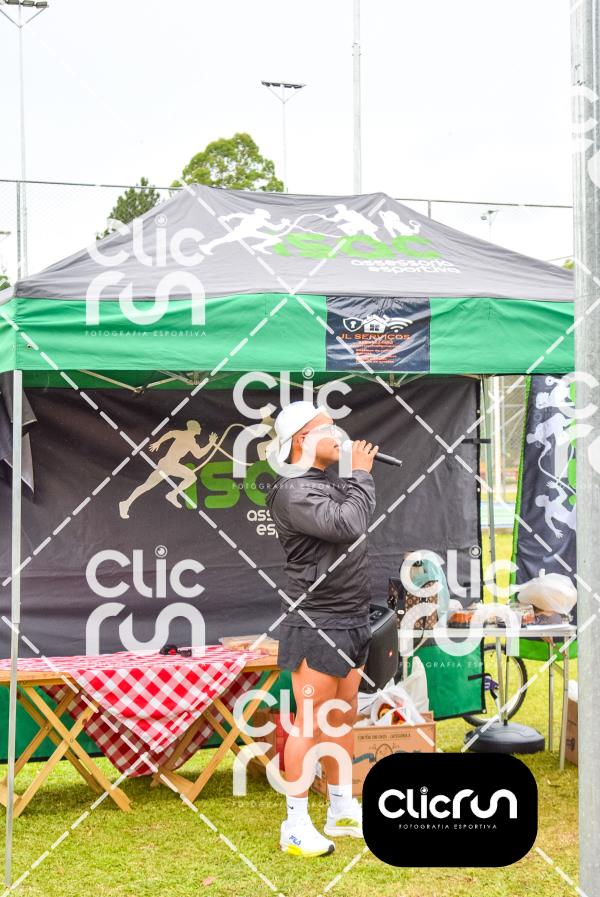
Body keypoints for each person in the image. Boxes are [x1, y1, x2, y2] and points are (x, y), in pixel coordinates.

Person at [266, 401, 378, 858]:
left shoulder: (329, 483)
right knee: (309, 722)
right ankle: (294, 826)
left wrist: (354, 477)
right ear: (301, 440)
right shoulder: (292, 490)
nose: (339, 434)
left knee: (342, 715)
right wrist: (361, 474)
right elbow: (349, 524)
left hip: (352, 614)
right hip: (316, 618)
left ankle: (341, 808)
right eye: (327, 428)